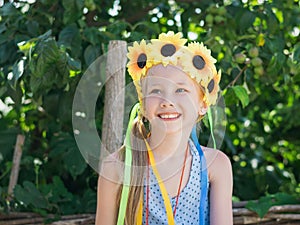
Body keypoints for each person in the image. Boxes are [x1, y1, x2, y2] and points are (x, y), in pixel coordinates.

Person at [95, 31, 233, 225]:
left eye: (180, 90)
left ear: (203, 103)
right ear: (142, 104)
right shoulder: (117, 167)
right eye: (156, 90)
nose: (167, 101)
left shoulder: (215, 165)